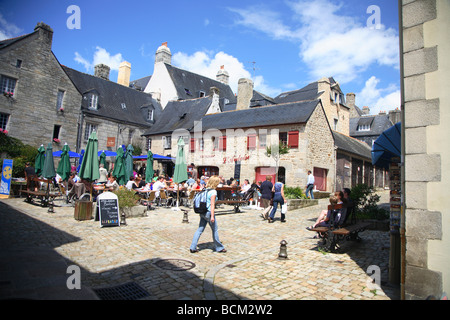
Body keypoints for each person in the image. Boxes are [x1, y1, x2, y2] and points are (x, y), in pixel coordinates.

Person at [189, 176, 227, 253]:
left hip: (202, 211)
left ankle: (193, 247)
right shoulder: (213, 192)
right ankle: (219, 247)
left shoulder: (205, 190)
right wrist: (212, 216)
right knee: (215, 230)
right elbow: (212, 205)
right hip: (209, 212)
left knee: (200, 229)